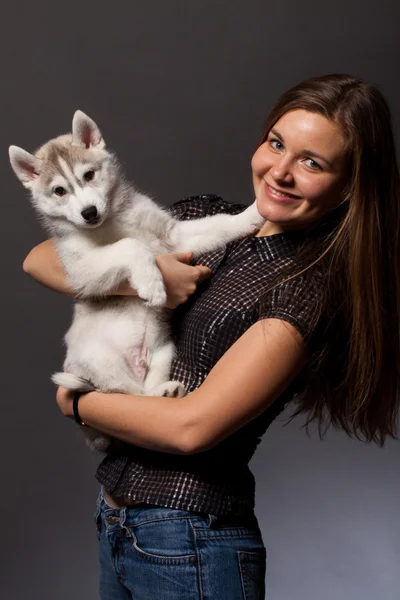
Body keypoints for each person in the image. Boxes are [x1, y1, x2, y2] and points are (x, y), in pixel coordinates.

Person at [23, 74, 400, 600]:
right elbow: (42, 258)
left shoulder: (301, 292)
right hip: (117, 526)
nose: (281, 172)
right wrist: (138, 275)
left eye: (313, 163)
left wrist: (79, 404)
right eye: (276, 144)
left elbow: (192, 428)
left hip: (191, 541)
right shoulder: (204, 216)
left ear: (350, 184)